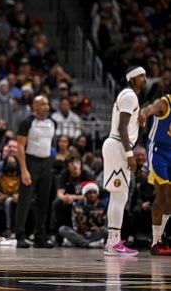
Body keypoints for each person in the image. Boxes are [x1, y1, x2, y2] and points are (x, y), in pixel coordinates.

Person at [102, 66, 145, 256]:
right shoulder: (130, 96)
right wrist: (129, 154)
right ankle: (114, 243)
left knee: (117, 196)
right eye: (141, 76)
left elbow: (127, 122)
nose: (144, 79)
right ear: (132, 79)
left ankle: (113, 241)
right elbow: (121, 127)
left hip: (115, 145)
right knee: (120, 196)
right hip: (119, 145)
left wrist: (139, 118)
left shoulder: (127, 96)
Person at [14, 95, 56, 248]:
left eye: (47, 104)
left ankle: (40, 237)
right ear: (35, 106)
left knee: (44, 201)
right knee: (24, 200)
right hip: (31, 162)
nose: (47, 106)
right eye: (43, 104)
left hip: (47, 162)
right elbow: (19, 147)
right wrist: (24, 170)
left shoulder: (53, 123)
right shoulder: (27, 123)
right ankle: (20, 236)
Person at [139, 93, 171, 255]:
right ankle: (155, 242)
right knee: (163, 193)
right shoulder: (164, 103)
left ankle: (162, 236)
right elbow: (149, 108)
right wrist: (143, 114)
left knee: (170, 198)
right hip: (158, 152)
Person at [58, 181, 108, 248]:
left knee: (106, 230)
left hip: (95, 233)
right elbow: (75, 223)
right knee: (62, 229)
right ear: (85, 194)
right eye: (89, 193)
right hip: (80, 233)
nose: (92, 195)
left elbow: (104, 222)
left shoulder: (103, 206)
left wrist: (98, 228)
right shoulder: (77, 206)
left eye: (94, 192)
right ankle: (88, 244)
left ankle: (79, 242)